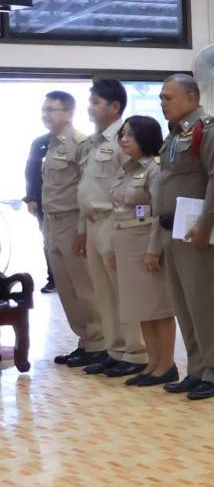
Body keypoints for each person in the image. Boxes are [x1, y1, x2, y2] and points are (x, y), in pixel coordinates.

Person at [156, 74, 214, 402]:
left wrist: (205, 225)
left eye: (168, 97)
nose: (163, 103)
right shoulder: (175, 134)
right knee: (184, 305)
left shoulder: (210, 130)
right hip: (171, 230)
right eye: (161, 98)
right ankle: (197, 369)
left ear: (191, 98)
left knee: (205, 304)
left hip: (196, 231)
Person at [77, 80, 147, 377]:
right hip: (93, 223)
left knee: (123, 290)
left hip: (113, 221)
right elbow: (87, 187)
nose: (90, 107)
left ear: (114, 106)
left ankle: (137, 351)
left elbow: (133, 184)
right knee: (103, 292)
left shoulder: (124, 139)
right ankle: (115, 349)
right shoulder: (94, 142)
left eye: (95, 102)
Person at [109, 115, 179, 388]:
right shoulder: (126, 168)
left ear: (146, 138)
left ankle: (167, 364)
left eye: (131, 135)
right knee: (141, 308)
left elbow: (160, 214)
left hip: (146, 243)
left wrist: (153, 250)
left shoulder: (154, 169)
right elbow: (119, 211)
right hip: (125, 242)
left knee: (158, 307)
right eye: (122, 134)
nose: (124, 139)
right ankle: (152, 362)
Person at [39, 91, 107, 369]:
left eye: (51, 110)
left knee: (84, 286)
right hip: (52, 223)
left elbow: (85, 188)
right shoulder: (51, 145)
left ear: (68, 113)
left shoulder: (81, 143)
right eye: (43, 110)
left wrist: (82, 229)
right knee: (65, 288)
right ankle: (85, 341)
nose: (46, 115)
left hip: (72, 221)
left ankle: (99, 343)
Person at [25, 130, 57, 293]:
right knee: (48, 242)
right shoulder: (39, 142)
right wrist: (30, 198)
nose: (48, 115)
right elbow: (31, 172)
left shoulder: (78, 141)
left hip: (70, 204)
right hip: (43, 202)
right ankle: (53, 279)